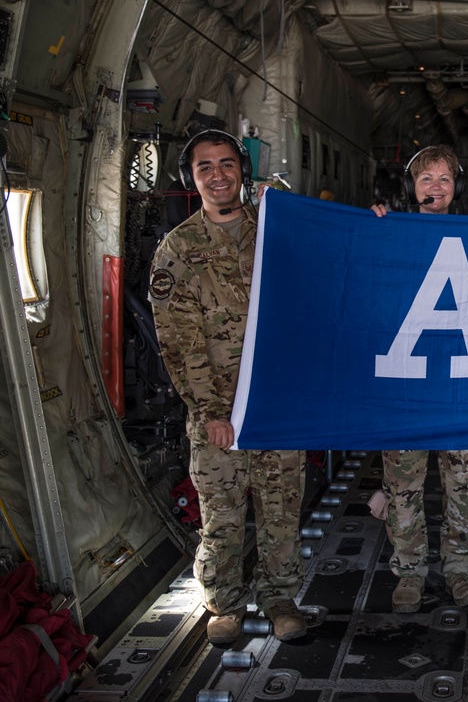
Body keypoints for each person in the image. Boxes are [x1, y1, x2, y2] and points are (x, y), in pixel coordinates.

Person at [149, 130, 307, 645]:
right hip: (218, 412)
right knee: (222, 514)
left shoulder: (276, 233)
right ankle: (225, 604)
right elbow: (180, 341)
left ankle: (281, 600)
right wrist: (212, 411)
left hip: (278, 405)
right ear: (191, 180)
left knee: (281, 508)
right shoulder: (179, 250)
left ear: (242, 170)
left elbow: (319, 293)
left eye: (226, 164)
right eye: (205, 168)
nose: (218, 175)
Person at [372, 145, 468, 613]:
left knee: (463, 486)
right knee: (403, 487)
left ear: (457, 188)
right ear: (411, 188)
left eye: (444, 179)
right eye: (426, 179)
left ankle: (461, 570)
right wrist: (371, 228)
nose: (435, 188)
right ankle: (409, 572)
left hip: (460, 387)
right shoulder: (389, 232)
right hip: (408, 388)